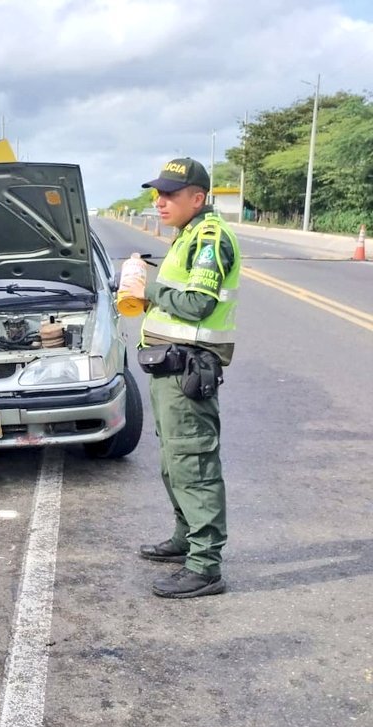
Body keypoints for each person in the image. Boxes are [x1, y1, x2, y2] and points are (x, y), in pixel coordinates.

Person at [128, 157, 241, 599]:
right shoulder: (187, 236)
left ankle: (205, 565)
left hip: (188, 370)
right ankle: (185, 539)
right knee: (174, 463)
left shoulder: (210, 238)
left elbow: (197, 304)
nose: (159, 201)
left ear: (198, 198)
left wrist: (147, 289)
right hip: (169, 368)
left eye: (170, 194)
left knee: (194, 465)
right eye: (157, 193)